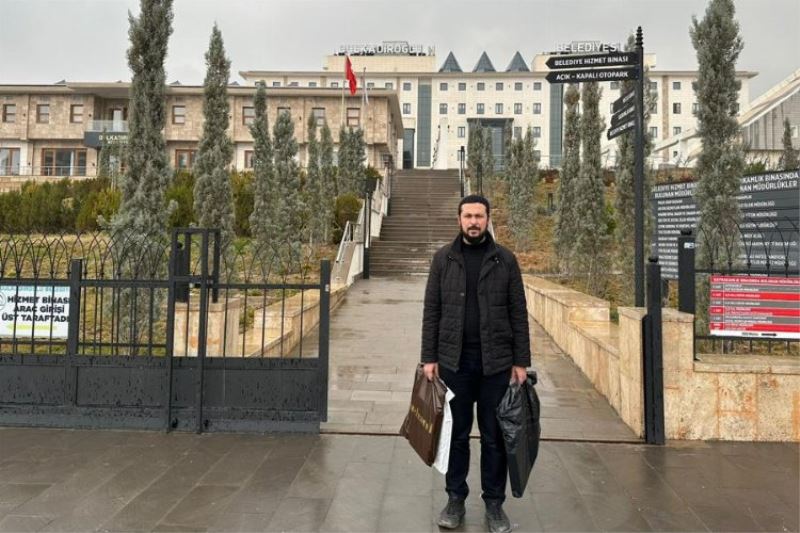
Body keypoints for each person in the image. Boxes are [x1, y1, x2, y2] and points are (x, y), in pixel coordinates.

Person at [420, 194, 531, 533]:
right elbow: (432, 310)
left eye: (479, 216)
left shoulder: (505, 260)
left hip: (496, 364)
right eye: (468, 216)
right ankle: (455, 498)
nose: (473, 222)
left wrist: (521, 361)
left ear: (487, 219)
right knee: (456, 436)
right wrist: (428, 357)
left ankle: (494, 504)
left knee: (494, 437)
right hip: (454, 363)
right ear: (459, 219)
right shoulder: (443, 259)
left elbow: (518, 312)